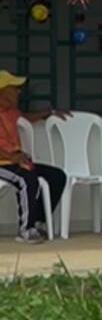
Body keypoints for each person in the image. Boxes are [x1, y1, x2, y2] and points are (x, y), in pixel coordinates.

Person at [0, 71, 67, 244]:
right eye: (15, 88)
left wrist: (49, 112)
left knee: (56, 176)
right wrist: (11, 157)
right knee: (27, 179)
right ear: (2, 90)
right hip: (3, 162)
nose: (19, 92)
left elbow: (27, 118)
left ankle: (38, 221)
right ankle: (25, 230)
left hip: (14, 160)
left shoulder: (11, 111)